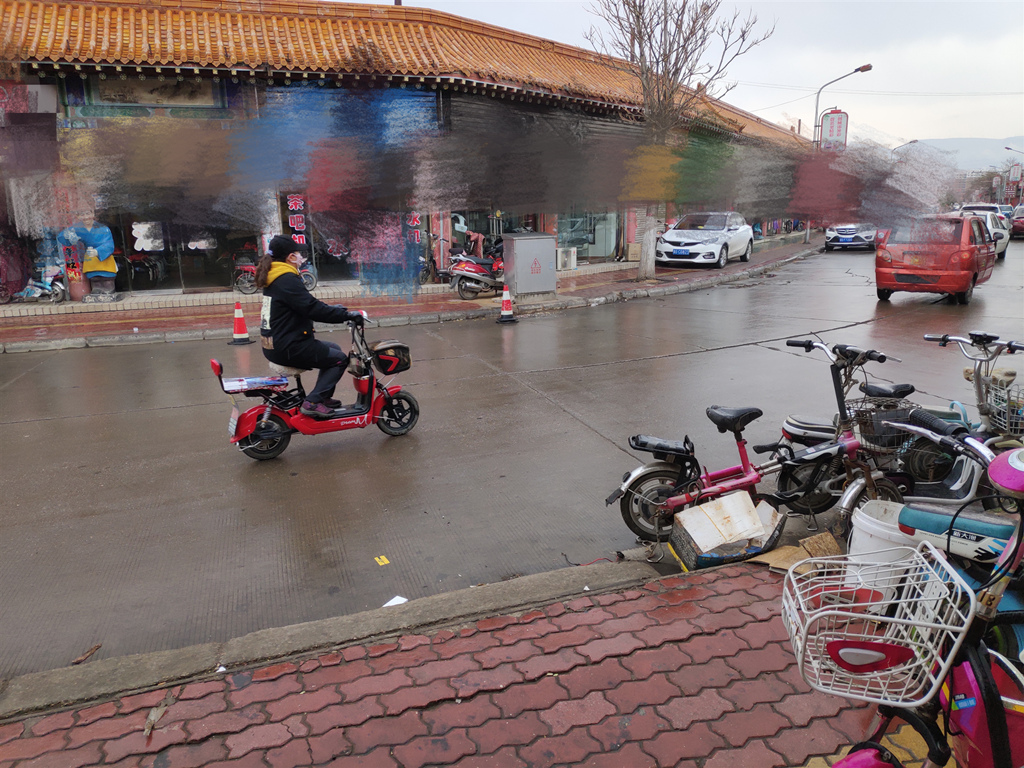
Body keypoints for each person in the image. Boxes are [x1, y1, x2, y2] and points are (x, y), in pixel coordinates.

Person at [256, 235, 365, 419]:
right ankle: (313, 402)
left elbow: (305, 304)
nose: (301, 257)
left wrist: (335, 310)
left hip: (276, 343)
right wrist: (346, 315)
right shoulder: (286, 279)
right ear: (290, 257)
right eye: (299, 253)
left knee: (334, 349)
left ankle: (323, 397)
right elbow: (311, 308)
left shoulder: (275, 276)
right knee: (339, 359)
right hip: (288, 347)